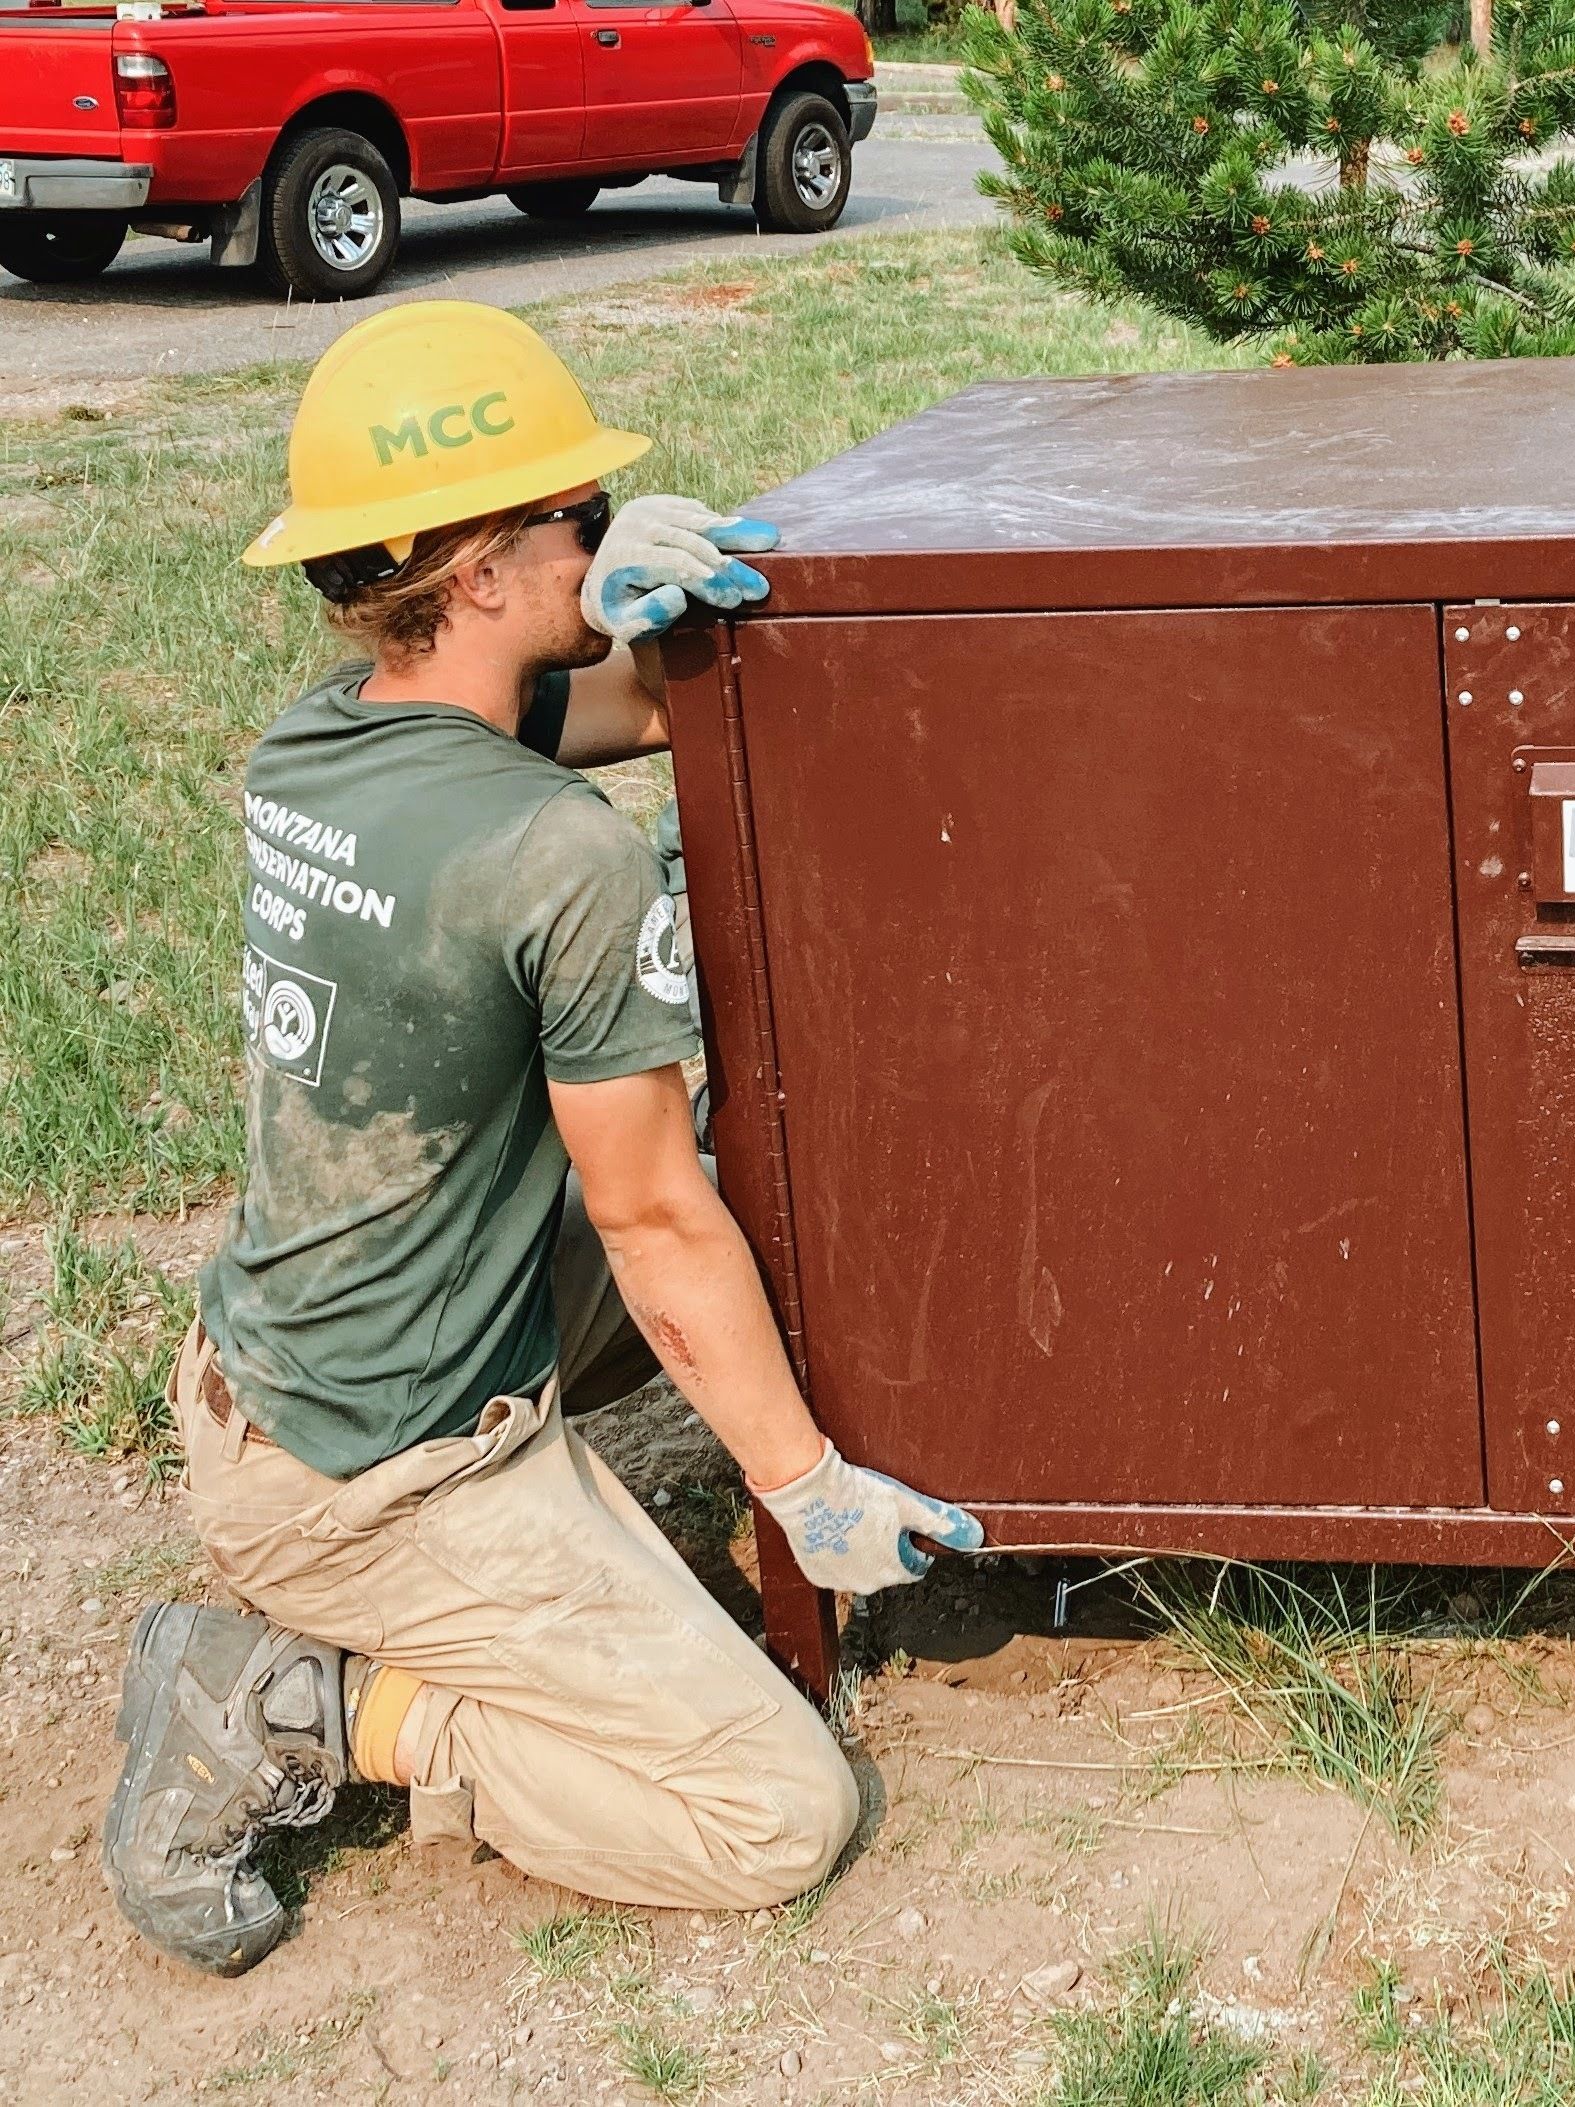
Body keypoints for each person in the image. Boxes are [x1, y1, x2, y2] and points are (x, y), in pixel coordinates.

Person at [103, 301, 986, 1978]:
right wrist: (803, 1495)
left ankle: (414, 1596)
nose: (598, 537)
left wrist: (624, 611)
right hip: (382, 1472)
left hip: (277, 1373)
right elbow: (648, 1226)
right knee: (769, 1816)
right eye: (573, 519)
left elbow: (631, 712)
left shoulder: (326, 741)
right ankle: (299, 1700)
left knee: (715, 1182)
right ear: (485, 571)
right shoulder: (550, 853)